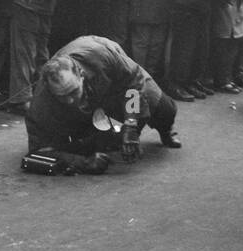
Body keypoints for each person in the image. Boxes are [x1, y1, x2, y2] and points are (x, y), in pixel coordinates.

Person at [24, 36, 181, 173]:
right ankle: (105, 137)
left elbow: (133, 85)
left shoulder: (102, 56)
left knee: (165, 110)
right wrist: (83, 163)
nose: (70, 100)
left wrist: (131, 125)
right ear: (50, 90)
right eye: (62, 96)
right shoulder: (41, 103)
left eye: (73, 92)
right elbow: (38, 152)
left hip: (116, 85)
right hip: (89, 107)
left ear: (81, 76)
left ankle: (165, 130)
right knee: (96, 141)